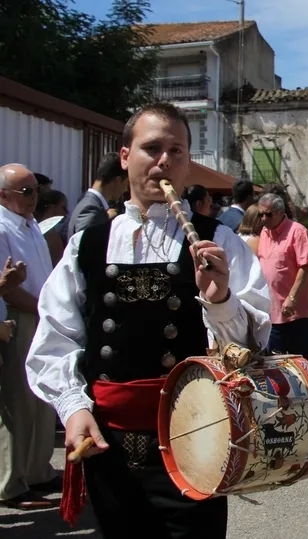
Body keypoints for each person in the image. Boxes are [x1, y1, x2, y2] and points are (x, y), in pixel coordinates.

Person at [24, 103, 271, 537]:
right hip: (107, 441)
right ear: (125, 157)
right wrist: (72, 407)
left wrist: (221, 300)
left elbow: (251, 349)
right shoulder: (88, 243)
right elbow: (57, 335)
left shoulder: (221, 241)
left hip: (198, 435)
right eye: (151, 148)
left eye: (177, 151)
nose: (164, 161)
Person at [0, 164, 58, 511]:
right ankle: (10, 480)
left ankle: (37, 470)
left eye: (36, 190)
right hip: (21, 317)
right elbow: (7, 288)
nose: (34, 197)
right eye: (26, 192)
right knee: (17, 402)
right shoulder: (2, 226)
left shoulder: (30, 223)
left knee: (41, 397)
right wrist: (39, 310)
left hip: (39, 315)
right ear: (3, 195)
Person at [257, 193, 308, 365]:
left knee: (302, 362)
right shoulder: (264, 232)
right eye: (260, 214)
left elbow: (306, 267)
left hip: (295, 311)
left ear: (279, 212)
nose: (263, 218)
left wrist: (292, 298)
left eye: (267, 214)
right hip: (272, 310)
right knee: (275, 363)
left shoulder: (297, 231)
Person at [68, 152, 129, 238]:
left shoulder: (90, 204)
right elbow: (87, 248)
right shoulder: (90, 209)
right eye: (126, 184)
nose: (126, 189)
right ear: (118, 181)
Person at [35, 189, 69, 266]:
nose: (66, 212)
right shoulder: (51, 234)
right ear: (52, 208)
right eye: (63, 208)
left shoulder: (33, 229)